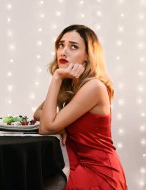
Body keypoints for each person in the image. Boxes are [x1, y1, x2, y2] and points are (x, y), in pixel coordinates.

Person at [33, 24, 127, 189]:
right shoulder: (71, 86)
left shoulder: (93, 87)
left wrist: (56, 78)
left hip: (99, 172)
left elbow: (46, 128)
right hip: (76, 166)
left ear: (87, 56)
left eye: (73, 47)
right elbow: (38, 114)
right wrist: (60, 125)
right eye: (61, 45)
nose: (64, 51)